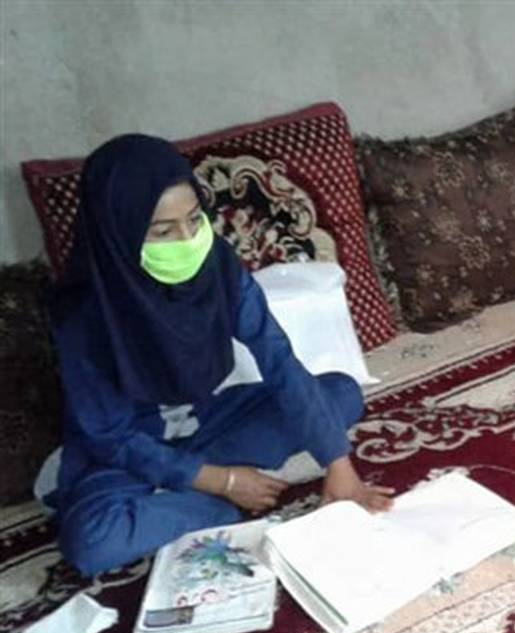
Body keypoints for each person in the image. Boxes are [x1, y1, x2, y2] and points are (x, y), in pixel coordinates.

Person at [45, 134, 394, 577]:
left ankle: (177, 499)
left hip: (206, 422)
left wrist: (339, 466)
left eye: (194, 220)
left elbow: (278, 358)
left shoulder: (217, 266)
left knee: (341, 393)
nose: (188, 240)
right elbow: (110, 438)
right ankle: (212, 505)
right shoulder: (84, 315)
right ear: (119, 232)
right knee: (93, 542)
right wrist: (223, 481)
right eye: (163, 231)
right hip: (128, 450)